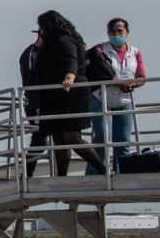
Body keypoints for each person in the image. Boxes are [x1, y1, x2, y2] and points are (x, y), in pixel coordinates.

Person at [33, 10, 108, 176]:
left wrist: (69, 76)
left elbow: (71, 61)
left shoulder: (64, 40)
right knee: (59, 140)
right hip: (54, 96)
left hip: (70, 93)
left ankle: (103, 169)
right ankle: (61, 176)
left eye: (42, 26)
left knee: (72, 137)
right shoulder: (50, 43)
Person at [86, 17, 146, 174]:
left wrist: (132, 85)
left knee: (123, 142)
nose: (116, 33)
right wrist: (115, 81)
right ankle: (95, 173)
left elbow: (141, 77)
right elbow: (93, 72)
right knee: (103, 137)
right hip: (101, 98)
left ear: (127, 32)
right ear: (107, 33)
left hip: (124, 100)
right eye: (113, 31)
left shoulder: (135, 52)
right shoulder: (99, 49)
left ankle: (121, 174)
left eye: (120, 31)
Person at [18, 28, 50, 177]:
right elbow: (29, 82)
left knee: (46, 139)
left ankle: (28, 172)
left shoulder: (46, 53)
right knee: (39, 139)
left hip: (44, 102)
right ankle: (27, 173)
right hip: (35, 103)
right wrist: (36, 104)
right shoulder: (31, 54)